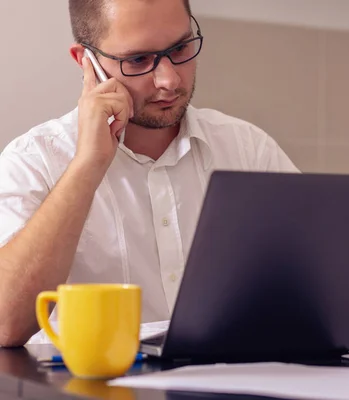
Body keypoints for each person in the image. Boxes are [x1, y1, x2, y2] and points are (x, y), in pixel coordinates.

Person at [0, 0, 298, 347]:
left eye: (181, 48)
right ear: (86, 62)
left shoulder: (247, 149)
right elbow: (6, 325)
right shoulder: (34, 160)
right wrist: (87, 164)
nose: (169, 80)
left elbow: (320, 286)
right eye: (138, 60)